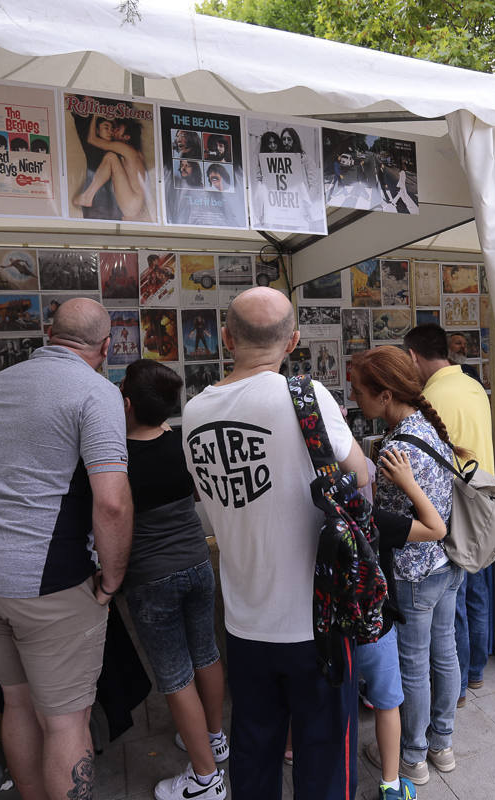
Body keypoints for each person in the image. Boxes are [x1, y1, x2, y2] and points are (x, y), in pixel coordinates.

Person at [181, 287, 367, 800]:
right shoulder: (305, 395)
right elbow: (361, 474)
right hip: (317, 618)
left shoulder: (194, 412)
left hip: (243, 619)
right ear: (293, 341)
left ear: (226, 338)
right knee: (325, 758)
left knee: (254, 751)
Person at [0, 298, 132, 800]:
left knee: (18, 701)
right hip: (43, 579)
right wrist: (113, 578)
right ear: (106, 348)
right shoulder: (96, 391)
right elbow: (112, 503)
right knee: (67, 721)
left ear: (50, 334)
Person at [349, 345, 460, 786]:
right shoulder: (429, 427)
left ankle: (412, 756)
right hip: (446, 565)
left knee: (413, 666)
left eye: (359, 391)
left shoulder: (395, 449)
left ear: (385, 395)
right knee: (444, 654)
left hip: (413, 574)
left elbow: (398, 520)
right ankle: (442, 745)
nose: (355, 399)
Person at [119, 360, 227, 800]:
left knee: (175, 675)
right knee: (206, 653)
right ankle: (215, 738)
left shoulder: (118, 457)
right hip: (198, 564)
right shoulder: (182, 444)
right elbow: (198, 491)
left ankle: (205, 779)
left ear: (127, 403)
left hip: (151, 577)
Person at [403, 324, 493, 705]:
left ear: (413, 356)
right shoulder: (474, 385)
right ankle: (475, 673)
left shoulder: (430, 397)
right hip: (484, 504)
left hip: (454, 507)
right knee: (478, 593)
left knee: (453, 606)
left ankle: (456, 688)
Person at [359, 449, 448, 800]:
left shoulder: (311, 521)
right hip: (376, 627)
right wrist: (408, 483)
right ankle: (392, 784)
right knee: (388, 703)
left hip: (327, 632)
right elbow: (437, 528)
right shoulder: (373, 519)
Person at [72, 117, 151, 221]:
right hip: (135, 204)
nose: (114, 131)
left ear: (126, 137)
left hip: (132, 203)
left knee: (111, 157)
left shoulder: (125, 148)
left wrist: (94, 117)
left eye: (118, 130)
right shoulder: (136, 152)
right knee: (112, 158)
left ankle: (87, 196)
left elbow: (92, 140)